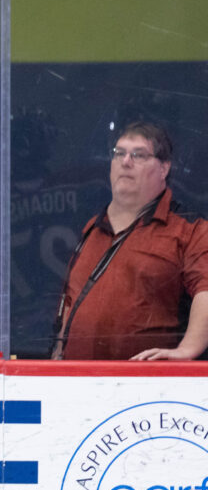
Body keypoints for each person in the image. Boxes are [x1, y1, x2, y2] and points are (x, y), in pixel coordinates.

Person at [52, 122, 208, 360]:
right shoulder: (92, 228)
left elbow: (205, 290)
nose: (126, 162)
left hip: (148, 387)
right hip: (77, 383)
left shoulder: (189, 229)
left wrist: (186, 352)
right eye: (119, 153)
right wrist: (56, 357)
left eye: (139, 155)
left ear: (164, 168)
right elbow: (71, 301)